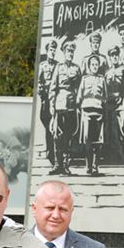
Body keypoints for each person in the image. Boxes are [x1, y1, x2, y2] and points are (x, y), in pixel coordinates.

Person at [49, 42, 83, 176]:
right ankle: (58, 165)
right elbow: (52, 88)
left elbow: (80, 88)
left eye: (72, 52)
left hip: (72, 106)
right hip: (60, 105)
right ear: (63, 53)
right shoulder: (58, 67)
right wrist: (52, 105)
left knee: (69, 135)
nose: (70, 54)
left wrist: (78, 105)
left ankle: (66, 165)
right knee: (57, 135)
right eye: (68, 51)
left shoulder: (77, 68)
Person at [77, 56, 107, 176]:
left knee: (98, 141)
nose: (94, 67)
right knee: (87, 141)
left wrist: (100, 103)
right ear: (89, 66)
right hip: (86, 110)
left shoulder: (102, 79)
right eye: (92, 64)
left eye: (96, 65)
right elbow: (79, 96)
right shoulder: (84, 79)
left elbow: (105, 96)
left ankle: (95, 166)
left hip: (98, 110)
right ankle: (88, 165)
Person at [103, 45, 124, 164]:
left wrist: (122, 97)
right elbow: (105, 89)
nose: (114, 57)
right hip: (110, 104)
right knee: (110, 131)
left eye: (116, 55)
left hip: (121, 102)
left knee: (123, 129)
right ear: (109, 58)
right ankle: (113, 158)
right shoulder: (107, 72)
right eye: (112, 55)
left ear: (118, 56)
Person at [38, 40, 60, 168]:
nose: (52, 52)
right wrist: (42, 94)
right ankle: (50, 152)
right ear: (46, 51)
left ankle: (54, 155)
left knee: (55, 127)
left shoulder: (58, 65)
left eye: (54, 50)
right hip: (46, 100)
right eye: (50, 50)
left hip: (55, 100)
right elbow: (40, 83)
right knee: (47, 125)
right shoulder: (42, 65)